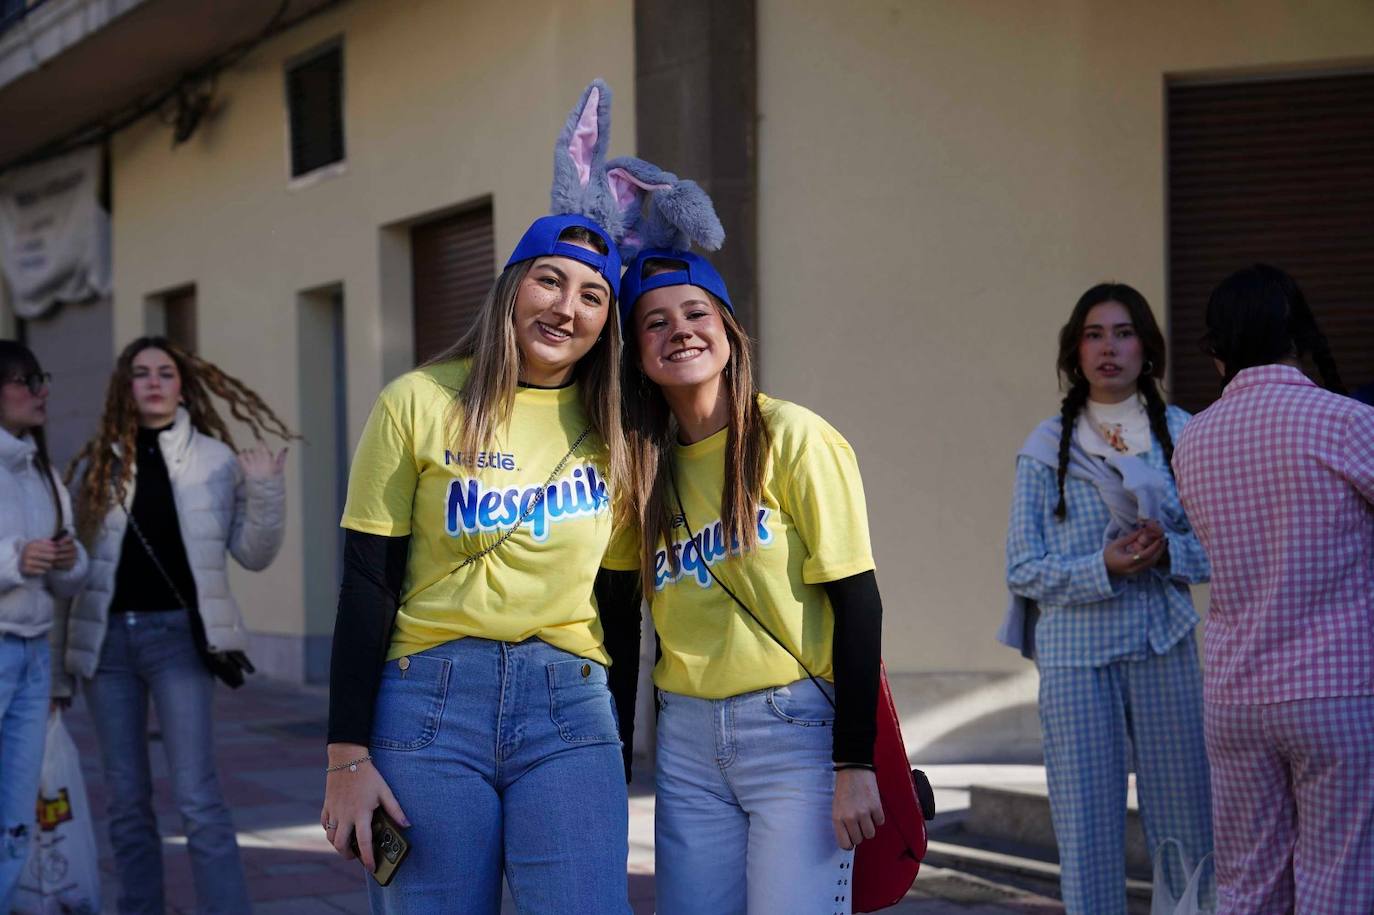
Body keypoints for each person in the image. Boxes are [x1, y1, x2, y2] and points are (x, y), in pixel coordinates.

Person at [320, 80, 645, 915]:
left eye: (592, 295)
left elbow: (618, 602)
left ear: (607, 321)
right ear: (511, 287)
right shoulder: (418, 401)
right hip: (426, 707)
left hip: (570, 707)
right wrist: (345, 756)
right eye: (549, 281)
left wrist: (619, 749)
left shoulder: (614, 430)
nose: (565, 307)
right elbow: (366, 585)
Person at [610, 248, 885, 915]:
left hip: (793, 731)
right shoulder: (639, 468)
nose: (679, 329)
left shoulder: (793, 437)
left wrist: (855, 762)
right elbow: (621, 624)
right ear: (637, 353)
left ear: (730, 332)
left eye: (696, 312)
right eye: (654, 322)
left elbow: (858, 601)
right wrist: (612, 762)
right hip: (685, 742)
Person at [1000, 283, 1212, 913]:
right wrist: (1105, 565)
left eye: (1123, 333)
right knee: (1086, 834)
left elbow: (1219, 548)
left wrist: (1168, 550)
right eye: (1094, 334)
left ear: (1146, 348)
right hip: (1074, 659)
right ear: (1075, 351)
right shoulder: (1046, 447)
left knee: (1188, 826)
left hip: (1163, 645)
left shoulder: (1187, 434)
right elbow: (1022, 566)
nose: (1108, 347)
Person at [59, 336, 290, 915]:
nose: (154, 382)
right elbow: (75, 570)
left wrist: (264, 488)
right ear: (125, 386)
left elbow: (254, 554)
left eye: (165, 372)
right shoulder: (95, 466)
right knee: (126, 799)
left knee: (196, 796)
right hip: (107, 646)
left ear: (182, 385)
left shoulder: (215, 461)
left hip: (179, 642)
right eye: (141, 373)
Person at [1173, 264, 1374, 914]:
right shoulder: (1344, 421)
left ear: (1215, 349)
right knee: (1335, 885)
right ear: (1298, 333)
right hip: (1336, 688)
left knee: (1248, 889)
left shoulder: (1192, 439)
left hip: (1233, 693)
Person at [0, 341, 87, 911]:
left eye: (42, 378)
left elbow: (73, 573)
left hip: (33, 657)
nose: (42, 391)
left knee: (16, 816)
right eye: (27, 381)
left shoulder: (41, 470)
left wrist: (64, 559)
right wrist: (12, 559)